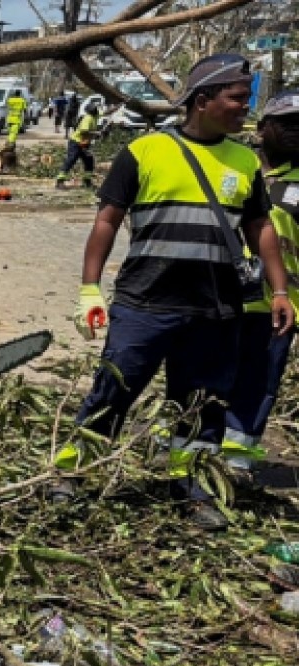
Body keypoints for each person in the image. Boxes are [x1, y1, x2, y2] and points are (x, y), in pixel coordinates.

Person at [53, 55, 294, 530]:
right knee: (113, 391)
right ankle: (71, 472)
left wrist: (280, 289)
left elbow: (260, 227)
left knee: (200, 404)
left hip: (215, 309)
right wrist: (89, 289)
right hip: (145, 303)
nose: (244, 109)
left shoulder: (244, 161)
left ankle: (189, 486)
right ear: (202, 101)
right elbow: (107, 221)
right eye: (236, 99)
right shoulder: (143, 152)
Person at [224, 90, 299, 479]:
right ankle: (193, 454)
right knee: (210, 377)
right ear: (263, 126)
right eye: (287, 124)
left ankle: (236, 462)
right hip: (222, 299)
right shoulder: (236, 168)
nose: (295, 133)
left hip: (277, 308)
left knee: (259, 384)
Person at [56, 101, 101, 188]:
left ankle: (87, 181)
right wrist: (96, 133)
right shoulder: (88, 118)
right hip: (76, 143)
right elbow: (84, 132)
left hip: (85, 144)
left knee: (89, 162)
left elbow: (107, 112)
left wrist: (119, 105)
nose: (97, 110)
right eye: (95, 109)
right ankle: (60, 181)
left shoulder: (96, 116)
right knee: (71, 160)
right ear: (91, 111)